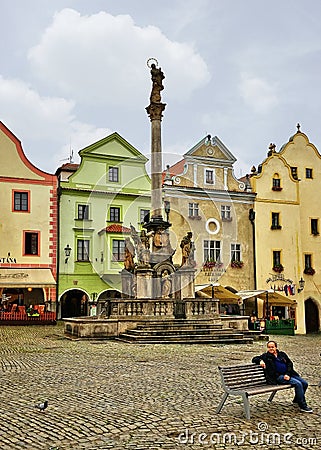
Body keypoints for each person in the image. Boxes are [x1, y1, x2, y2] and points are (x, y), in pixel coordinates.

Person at [252, 340, 313, 413]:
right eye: (269, 347)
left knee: (304, 383)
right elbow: (254, 359)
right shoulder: (266, 356)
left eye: (272, 347)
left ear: (276, 347)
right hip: (278, 377)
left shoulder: (282, 354)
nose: (271, 349)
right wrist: (260, 361)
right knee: (298, 384)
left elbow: (289, 364)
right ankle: (303, 406)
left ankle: (297, 400)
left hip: (289, 374)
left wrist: (288, 374)